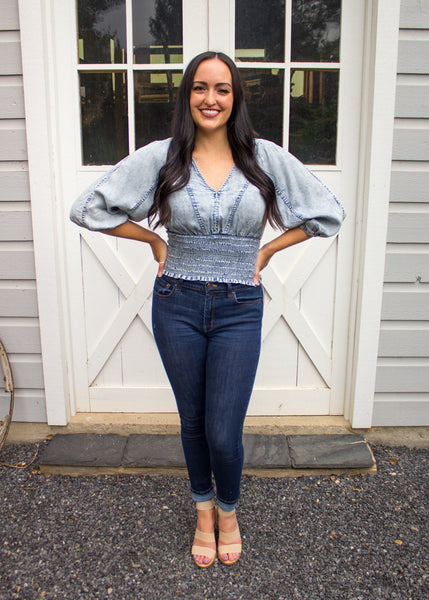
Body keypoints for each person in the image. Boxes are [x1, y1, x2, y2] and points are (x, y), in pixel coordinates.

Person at [70, 51, 345, 568]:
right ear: (187, 96)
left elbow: (329, 214)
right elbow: (88, 208)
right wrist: (153, 242)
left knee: (224, 429)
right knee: (193, 421)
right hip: (176, 302)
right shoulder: (163, 156)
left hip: (241, 305)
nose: (210, 99)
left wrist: (264, 251)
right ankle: (203, 511)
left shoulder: (262, 157)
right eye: (199, 88)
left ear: (235, 96)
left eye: (221, 88)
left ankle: (230, 509)